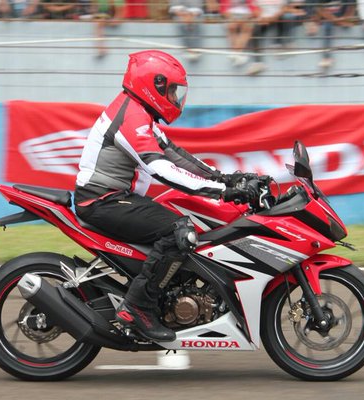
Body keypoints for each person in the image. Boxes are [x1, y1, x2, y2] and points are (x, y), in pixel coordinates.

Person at [74, 50, 258, 341]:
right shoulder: (131, 117)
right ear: (154, 85)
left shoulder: (139, 114)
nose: (175, 98)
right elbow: (161, 168)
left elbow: (176, 155)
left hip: (117, 198)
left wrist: (227, 178)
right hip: (102, 201)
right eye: (172, 90)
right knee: (178, 231)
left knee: (185, 223)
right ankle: (137, 307)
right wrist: (223, 192)